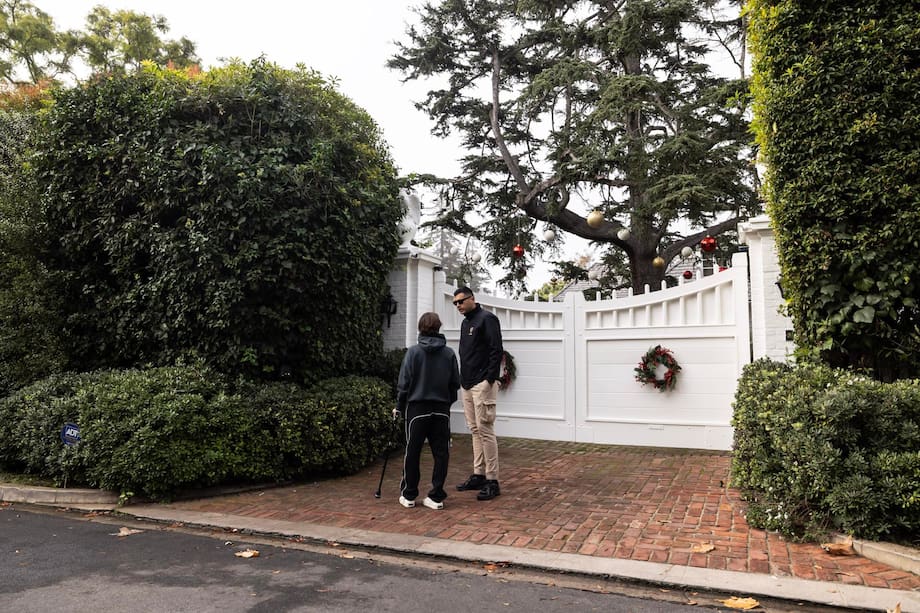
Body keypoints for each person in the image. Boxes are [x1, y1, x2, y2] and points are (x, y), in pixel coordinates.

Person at [394, 311, 460, 510]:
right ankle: (436, 497)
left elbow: (404, 384)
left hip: (417, 409)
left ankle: (409, 494)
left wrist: (399, 407)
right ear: (439, 327)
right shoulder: (448, 354)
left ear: (420, 328)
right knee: (441, 453)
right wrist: (446, 404)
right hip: (441, 409)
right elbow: (455, 384)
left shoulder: (413, 352)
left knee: (412, 451)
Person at [452, 286, 503, 501]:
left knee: (485, 430)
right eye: (455, 303)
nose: (458, 306)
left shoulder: (487, 319)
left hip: (482, 384)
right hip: (467, 383)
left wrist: (489, 380)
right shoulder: (466, 323)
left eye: (461, 301)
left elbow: (496, 350)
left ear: (472, 298)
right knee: (474, 430)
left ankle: (492, 480)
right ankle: (479, 474)